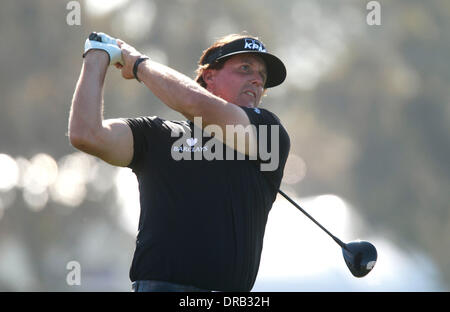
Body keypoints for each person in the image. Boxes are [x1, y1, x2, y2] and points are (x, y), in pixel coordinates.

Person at [69, 32, 290, 292]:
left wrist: (139, 64)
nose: (257, 79)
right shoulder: (158, 134)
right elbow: (86, 134)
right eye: (245, 68)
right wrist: (96, 56)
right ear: (209, 76)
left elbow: (196, 105)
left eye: (262, 76)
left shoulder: (268, 132)